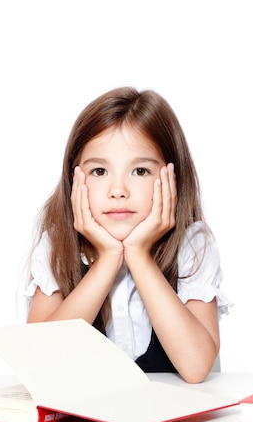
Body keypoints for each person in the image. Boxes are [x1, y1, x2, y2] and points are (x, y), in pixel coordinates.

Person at [24, 86, 231, 384]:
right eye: (99, 172)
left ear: (172, 178)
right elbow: (38, 361)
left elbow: (196, 367)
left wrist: (138, 254)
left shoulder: (192, 244)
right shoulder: (57, 243)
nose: (118, 190)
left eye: (140, 172)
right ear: (75, 180)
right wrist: (108, 259)